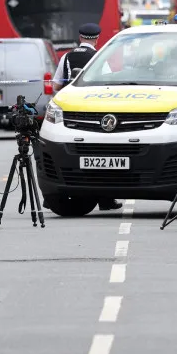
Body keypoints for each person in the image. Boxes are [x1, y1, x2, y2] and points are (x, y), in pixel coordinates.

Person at [50, 23, 122, 212]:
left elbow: (56, 85)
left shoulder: (66, 57)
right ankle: (106, 200)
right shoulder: (98, 58)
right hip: (96, 114)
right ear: (97, 39)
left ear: (79, 37)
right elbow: (109, 85)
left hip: (71, 113)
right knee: (103, 156)